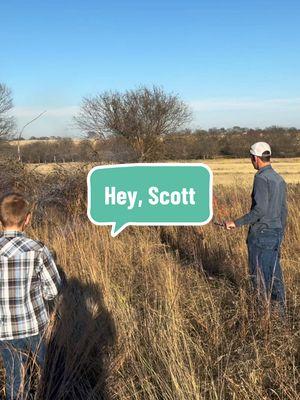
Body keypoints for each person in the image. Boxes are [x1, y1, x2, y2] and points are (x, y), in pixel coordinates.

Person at [0, 192, 61, 400]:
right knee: (51, 372)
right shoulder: (38, 249)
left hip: (4, 331)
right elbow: (53, 289)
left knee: (15, 379)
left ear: (0, 220)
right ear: (28, 219)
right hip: (35, 326)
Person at [225, 142, 287, 315]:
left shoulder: (261, 178)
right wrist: (280, 234)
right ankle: (281, 317)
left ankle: (262, 319)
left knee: (259, 279)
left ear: (255, 158)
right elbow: (284, 211)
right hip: (275, 233)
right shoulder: (278, 178)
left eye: (251, 158)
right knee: (275, 277)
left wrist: (235, 223)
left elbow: (259, 210)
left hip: (261, 234)